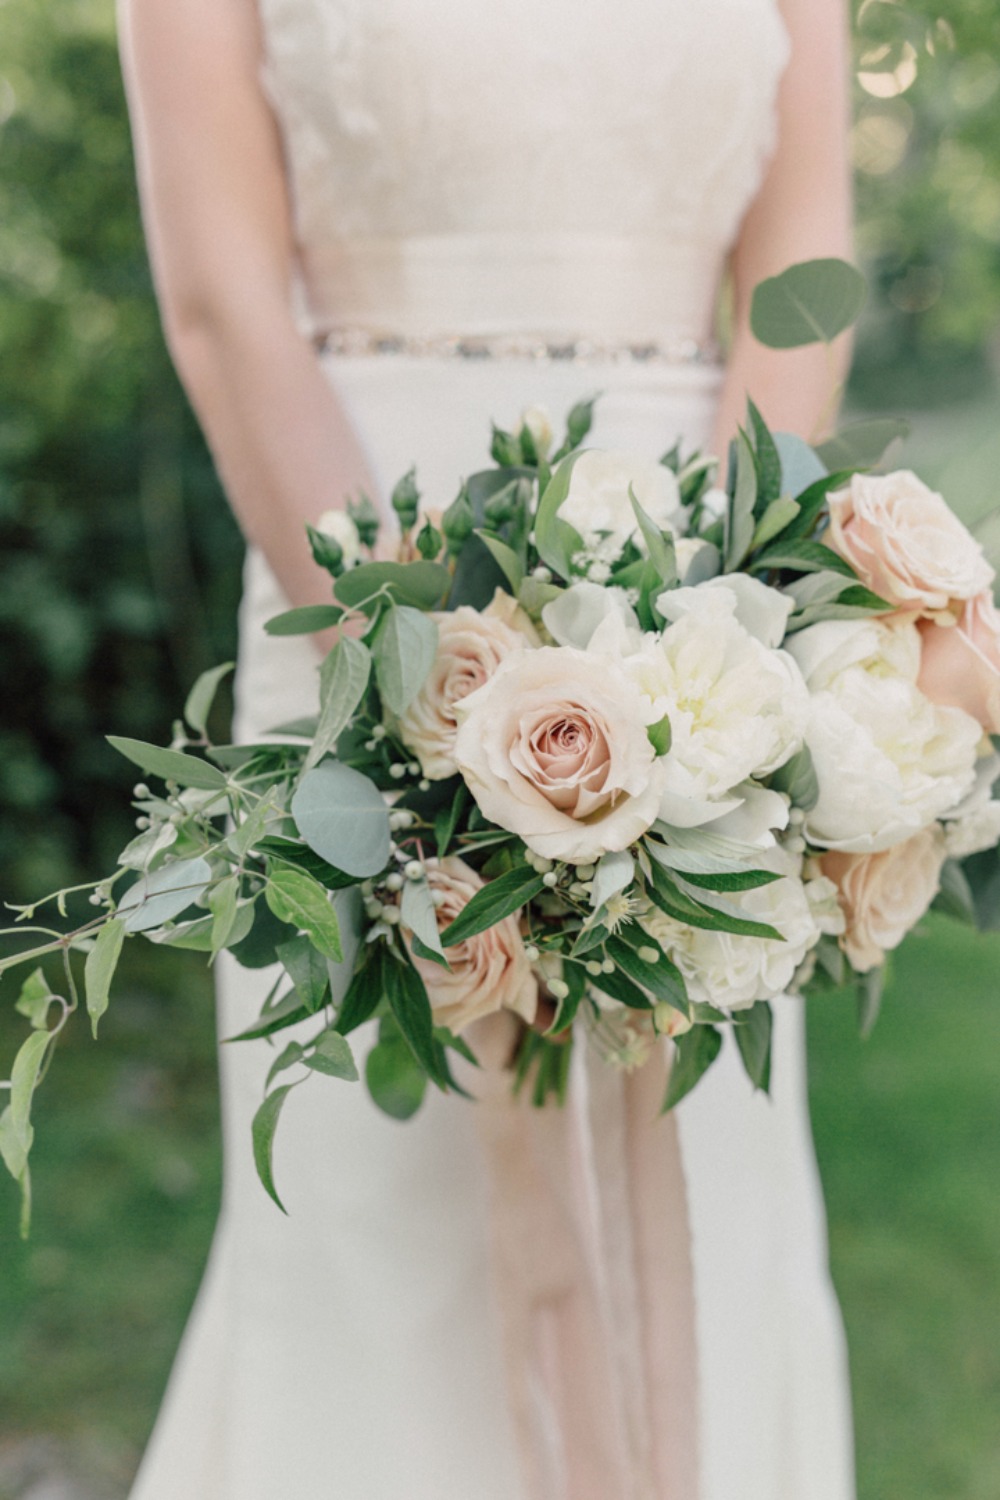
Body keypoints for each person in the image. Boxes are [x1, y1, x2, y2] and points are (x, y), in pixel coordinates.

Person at [117, 1, 856, 1496]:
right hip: (349, 580)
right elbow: (220, 299)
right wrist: (418, 681)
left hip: (703, 612)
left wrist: (702, 635)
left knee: (707, 1210)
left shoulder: (707, 636)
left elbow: (809, 277)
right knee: (373, 1228)